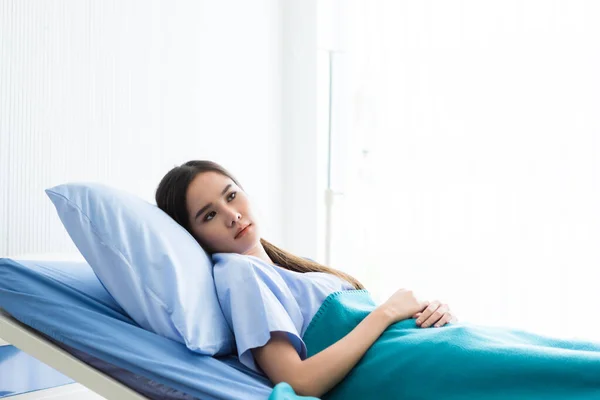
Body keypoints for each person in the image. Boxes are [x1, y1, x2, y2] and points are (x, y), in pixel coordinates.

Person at [155, 160, 457, 397]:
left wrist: (430, 314)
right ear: (194, 238)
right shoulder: (240, 274)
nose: (232, 215)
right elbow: (299, 381)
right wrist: (387, 312)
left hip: (428, 347)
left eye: (232, 196)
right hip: (409, 371)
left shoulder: (297, 268)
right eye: (209, 215)